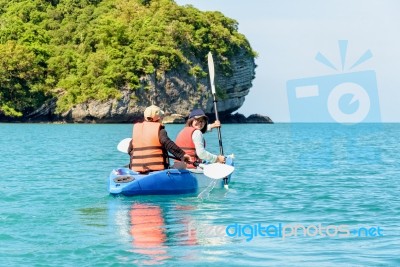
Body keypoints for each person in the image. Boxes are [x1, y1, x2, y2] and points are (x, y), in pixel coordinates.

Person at [128, 105, 191, 173]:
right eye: (162, 117)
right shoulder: (160, 131)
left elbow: (130, 150)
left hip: (137, 170)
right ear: (159, 118)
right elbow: (167, 143)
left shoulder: (138, 132)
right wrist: (182, 155)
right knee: (182, 166)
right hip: (156, 170)